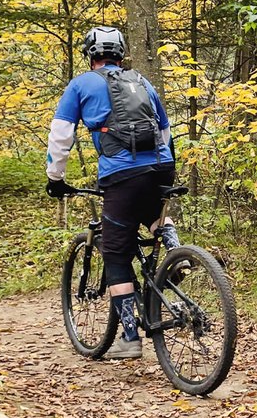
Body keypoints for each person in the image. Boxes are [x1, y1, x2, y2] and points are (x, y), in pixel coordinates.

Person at [46, 26, 179, 359]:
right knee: (150, 210)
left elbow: (62, 135)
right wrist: (159, 166)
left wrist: (55, 177)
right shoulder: (142, 82)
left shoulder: (80, 84)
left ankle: (130, 338)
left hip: (121, 173)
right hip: (162, 165)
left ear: (91, 55)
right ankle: (176, 250)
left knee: (116, 253)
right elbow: (165, 130)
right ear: (121, 55)